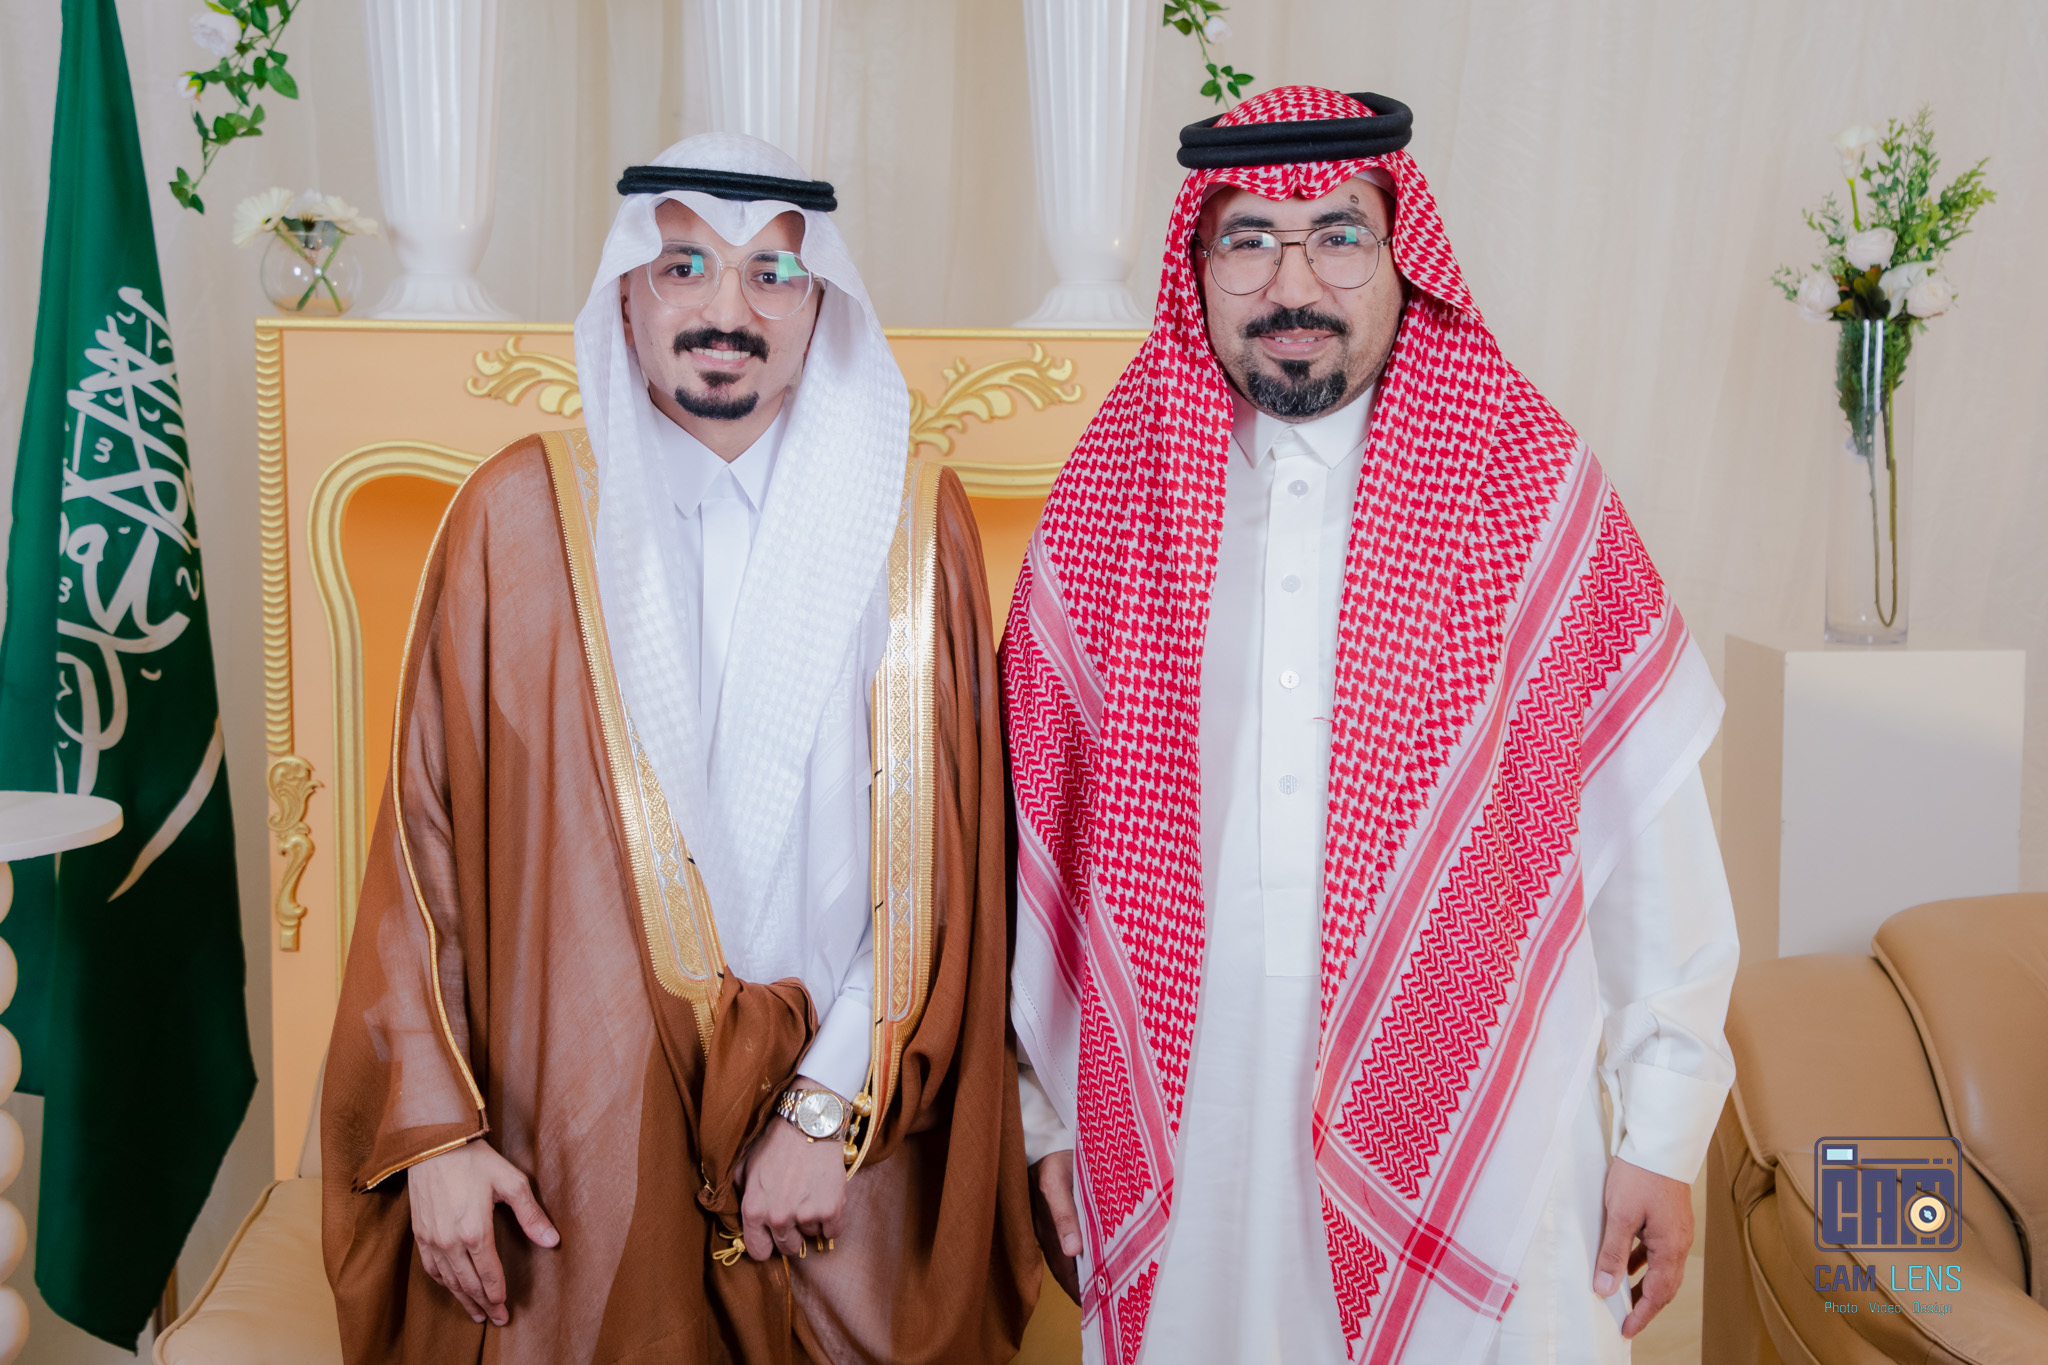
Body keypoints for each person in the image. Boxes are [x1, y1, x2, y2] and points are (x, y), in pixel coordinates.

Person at [1005, 87, 1739, 1364]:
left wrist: (1662, 1130)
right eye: (1248, 240)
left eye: (1337, 234)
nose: (1293, 284)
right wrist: (1047, 1116)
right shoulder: (1110, 505)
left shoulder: (1520, 481)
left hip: (1482, 1113)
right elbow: (1042, 840)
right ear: (1196, 266)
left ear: (1402, 257)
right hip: (1189, 1117)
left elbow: (1647, 819)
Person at [321, 134, 1036, 1364]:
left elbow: (953, 872)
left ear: (821, 307)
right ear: (625, 298)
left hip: (850, 1156)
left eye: (771, 275)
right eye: (684, 268)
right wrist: (437, 1136)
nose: (727, 312)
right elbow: (420, 850)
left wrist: (826, 1107)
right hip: (577, 1149)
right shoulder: (517, 518)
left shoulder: (913, 527)